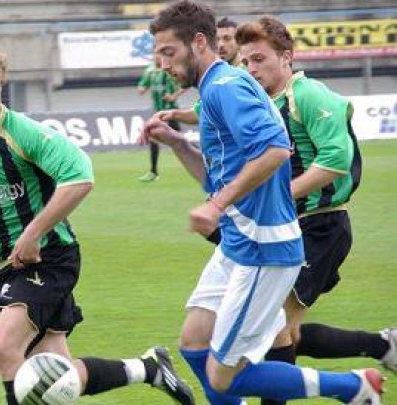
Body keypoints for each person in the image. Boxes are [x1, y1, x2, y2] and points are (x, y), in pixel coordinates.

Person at [0, 41, 195, 405]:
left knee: (4, 347)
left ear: (0, 82)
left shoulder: (24, 132)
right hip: (11, 266)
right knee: (57, 377)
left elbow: (80, 176)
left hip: (50, 258)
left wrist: (33, 233)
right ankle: (148, 368)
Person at [142, 2, 384, 404]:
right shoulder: (216, 90)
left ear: (198, 43)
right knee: (193, 343)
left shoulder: (225, 87)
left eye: (168, 52)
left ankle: (356, 387)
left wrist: (216, 206)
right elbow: (217, 176)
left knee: (224, 375)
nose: (161, 64)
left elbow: (275, 149)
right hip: (239, 242)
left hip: (263, 247)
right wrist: (176, 142)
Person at [234, 16, 396, 405]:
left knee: (271, 323)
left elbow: (336, 160)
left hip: (319, 227)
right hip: (287, 228)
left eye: (259, 59)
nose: (252, 69)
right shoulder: (265, 103)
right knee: (286, 331)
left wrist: (281, 195)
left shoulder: (307, 95)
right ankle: (383, 345)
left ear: (287, 57)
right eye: (247, 63)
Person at [162, 16, 244, 126]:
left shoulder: (250, 74)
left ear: (239, 42)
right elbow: (199, 113)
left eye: (227, 38)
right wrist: (172, 114)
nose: (221, 45)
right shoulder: (216, 76)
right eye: (217, 39)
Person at [137, 57, 187, 182]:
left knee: (181, 140)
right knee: (153, 138)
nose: (157, 57)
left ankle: (203, 160)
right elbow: (141, 88)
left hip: (170, 111)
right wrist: (143, 88)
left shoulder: (170, 71)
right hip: (158, 112)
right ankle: (153, 172)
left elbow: (185, 85)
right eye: (155, 53)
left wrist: (174, 96)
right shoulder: (150, 71)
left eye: (159, 53)